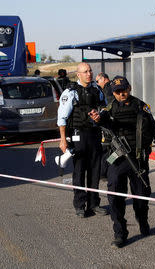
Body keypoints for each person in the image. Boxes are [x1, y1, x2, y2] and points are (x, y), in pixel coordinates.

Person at [89, 76, 155, 249]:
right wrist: (96, 119)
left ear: (129, 88)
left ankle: (143, 221)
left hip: (138, 159)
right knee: (115, 195)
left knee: (141, 195)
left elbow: (153, 127)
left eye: (124, 90)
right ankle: (120, 232)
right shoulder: (109, 109)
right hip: (117, 159)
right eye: (117, 92)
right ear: (113, 93)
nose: (121, 94)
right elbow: (100, 122)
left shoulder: (140, 106)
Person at [57, 62, 107, 218]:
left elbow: (104, 108)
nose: (89, 74)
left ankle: (94, 203)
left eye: (90, 71)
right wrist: (63, 139)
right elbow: (62, 117)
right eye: (85, 71)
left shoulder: (97, 89)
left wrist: (100, 115)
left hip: (95, 135)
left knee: (95, 171)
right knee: (79, 172)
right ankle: (80, 205)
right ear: (78, 74)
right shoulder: (70, 92)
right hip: (79, 136)